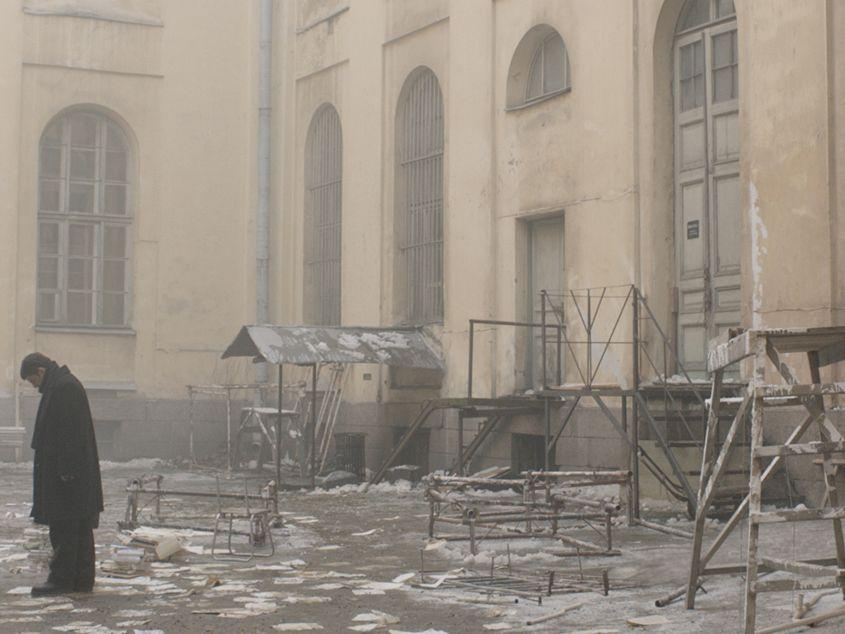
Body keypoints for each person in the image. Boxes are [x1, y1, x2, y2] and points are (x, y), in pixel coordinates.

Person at [20, 353, 104, 596]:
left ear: (41, 371)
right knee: (77, 527)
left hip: (66, 478)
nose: (33, 385)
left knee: (65, 527)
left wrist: (67, 470)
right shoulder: (62, 385)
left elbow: (70, 433)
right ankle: (80, 579)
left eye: (32, 379)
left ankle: (62, 579)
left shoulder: (64, 388)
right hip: (70, 475)